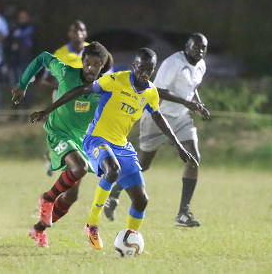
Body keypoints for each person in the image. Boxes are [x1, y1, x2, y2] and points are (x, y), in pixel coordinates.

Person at [29, 48, 198, 250]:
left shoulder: (150, 92)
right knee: (113, 169)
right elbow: (82, 90)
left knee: (141, 199)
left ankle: (130, 238)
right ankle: (91, 225)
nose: (145, 73)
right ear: (134, 66)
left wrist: (178, 146)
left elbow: (158, 117)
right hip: (96, 138)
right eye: (141, 68)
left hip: (122, 145)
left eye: (149, 69)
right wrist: (47, 111)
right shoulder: (116, 80)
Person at [12, 42, 113, 247]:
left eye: (96, 65)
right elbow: (42, 56)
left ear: (102, 66)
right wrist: (23, 85)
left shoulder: (104, 86)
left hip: (81, 141)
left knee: (71, 196)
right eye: (87, 64)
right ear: (82, 63)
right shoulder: (66, 72)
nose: (91, 69)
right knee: (80, 168)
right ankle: (47, 198)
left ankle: (39, 229)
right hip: (58, 133)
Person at [103, 33, 210, 227]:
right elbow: (157, 90)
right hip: (158, 116)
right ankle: (114, 193)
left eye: (204, 48)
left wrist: (198, 104)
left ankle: (183, 213)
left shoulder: (201, 65)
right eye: (196, 47)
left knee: (194, 158)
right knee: (143, 164)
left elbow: (193, 87)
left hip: (181, 117)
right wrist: (188, 102)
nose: (200, 51)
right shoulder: (173, 63)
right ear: (187, 46)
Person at [41, 20, 90, 176]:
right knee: (63, 131)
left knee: (82, 130)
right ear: (69, 34)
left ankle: (54, 155)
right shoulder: (60, 53)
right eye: (74, 30)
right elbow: (46, 78)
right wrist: (64, 85)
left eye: (81, 30)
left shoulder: (91, 50)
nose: (78, 33)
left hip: (86, 100)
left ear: (86, 33)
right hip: (63, 101)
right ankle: (58, 158)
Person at [7, 9, 35, 111]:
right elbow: (9, 39)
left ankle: (25, 109)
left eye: (24, 16)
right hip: (13, 62)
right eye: (20, 17)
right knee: (14, 86)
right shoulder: (14, 28)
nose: (22, 18)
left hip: (25, 62)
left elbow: (21, 37)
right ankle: (15, 109)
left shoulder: (30, 28)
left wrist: (15, 37)